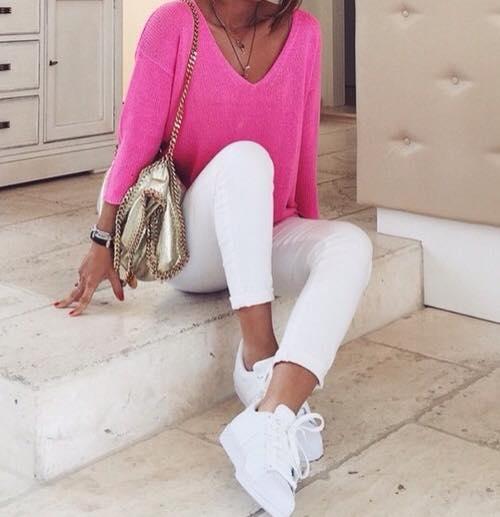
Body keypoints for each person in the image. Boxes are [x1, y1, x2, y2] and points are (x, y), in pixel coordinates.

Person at [54, 1, 373, 515]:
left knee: (350, 245)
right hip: (194, 245)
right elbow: (134, 141)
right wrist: (101, 239)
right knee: (247, 159)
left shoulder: (305, 34)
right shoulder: (174, 24)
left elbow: (304, 151)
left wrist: (311, 247)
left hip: (266, 233)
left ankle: (272, 413)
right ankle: (258, 357)